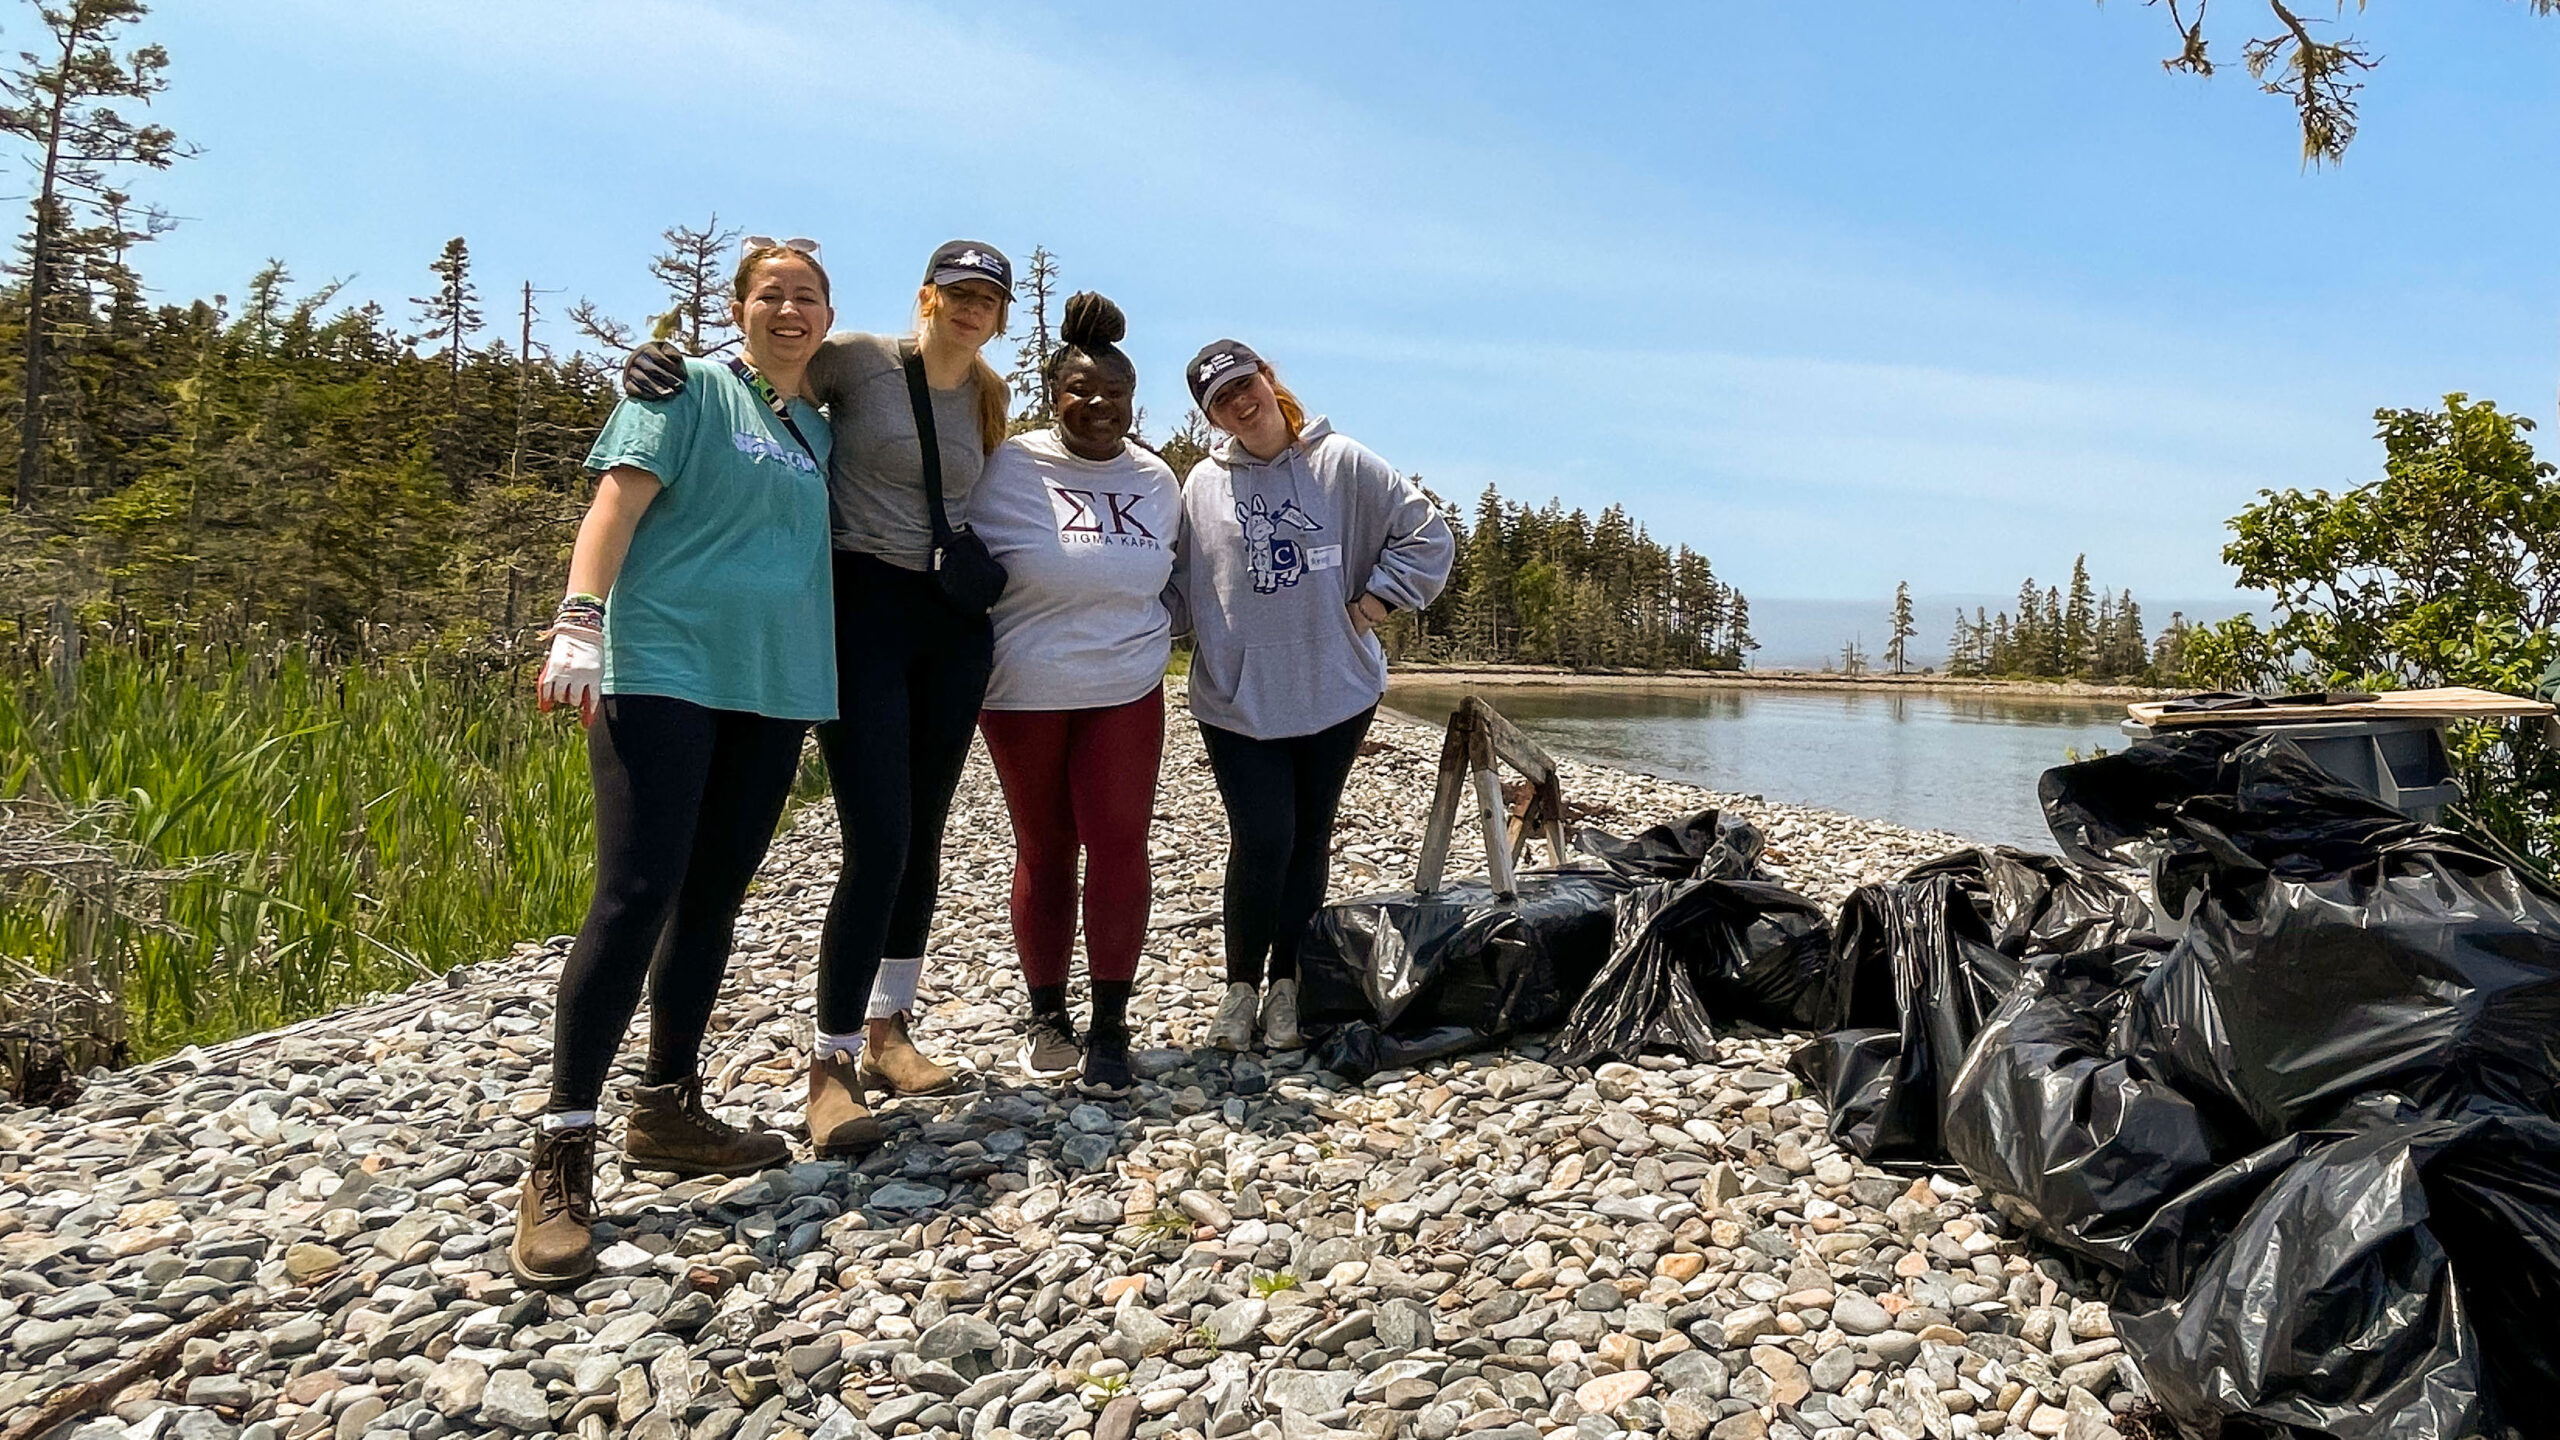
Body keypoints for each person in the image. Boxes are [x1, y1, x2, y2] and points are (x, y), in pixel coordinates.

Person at [626, 240, 1013, 1156]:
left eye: (985, 299)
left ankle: (890, 1034)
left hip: (948, 625)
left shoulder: (991, 397)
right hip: (858, 608)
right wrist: (660, 368)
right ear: (927, 295)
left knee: (922, 829)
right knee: (877, 833)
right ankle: (829, 1067)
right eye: (955, 292)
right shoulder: (861, 359)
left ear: (1000, 315)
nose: (968, 309)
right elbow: (769, 369)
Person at [515, 239, 839, 1289]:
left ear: (827, 318)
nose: (789, 312)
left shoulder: (817, 430)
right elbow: (615, 502)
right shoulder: (686, 388)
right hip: (661, 665)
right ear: (739, 309)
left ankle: (667, 1110)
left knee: (712, 900)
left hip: (772, 683)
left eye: (807, 298)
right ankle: (562, 1147)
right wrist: (578, 620)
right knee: (636, 894)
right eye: (771, 296)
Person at [1174, 340, 1455, 1053]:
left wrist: (1376, 603)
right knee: (1261, 838)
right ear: (1213, 415)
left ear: (1269, 380)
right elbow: (1175, 587)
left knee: (1308, 840)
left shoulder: (1343, 463)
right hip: (1237, 696)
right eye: (1221, 400)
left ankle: (1289, 985)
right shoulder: (1202, 485)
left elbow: (1428, 536)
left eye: (1246, 384)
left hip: (1334, 687)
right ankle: (1240, 989)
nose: (1240, 402)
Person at [972, 293, 1180, 1095]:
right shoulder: (1008, 464)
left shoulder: (1157, 479)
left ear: (1134, 401)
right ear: (1052, 394)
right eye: (1080, 391)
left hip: (1125, 683)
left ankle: (1112, 1024)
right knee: (1047, 847)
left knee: (1120, 840)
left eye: (1116, 394)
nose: (1098, 406)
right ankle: (1046, 1013)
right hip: (1023, 687)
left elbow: (1188, 574)